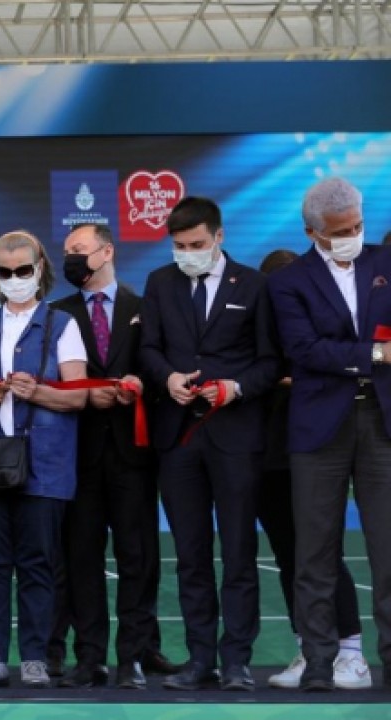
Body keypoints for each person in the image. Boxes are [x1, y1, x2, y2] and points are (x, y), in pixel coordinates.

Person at [139, 196, 279, 692]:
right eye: (179, 245)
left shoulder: (254, 285)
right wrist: (168, 377)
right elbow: (148, 348)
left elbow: (270, 361)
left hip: (235, 435)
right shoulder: (160, 282)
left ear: (219, 236)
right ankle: (200, 660)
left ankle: (237, 661)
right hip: (178, 438)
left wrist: (234, 387)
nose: (187, 253)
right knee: (190, 554)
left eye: (196, 243)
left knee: (239, 552)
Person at [0, 230, 88, 689]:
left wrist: (38, 391)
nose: (14, 278)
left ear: (39, 268)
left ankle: (34, 657)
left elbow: (78, 396)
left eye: (22, 270)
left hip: (44, 464)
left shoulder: (62, 325)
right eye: (5, 272)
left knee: (37, 563)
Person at [267, 177, 388, 691]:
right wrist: (376, 354)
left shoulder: (386, 263)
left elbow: (326, 350)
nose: (352, 237)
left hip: (382, 420)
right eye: (340, 232)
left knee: (388, 550)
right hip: (319, 427)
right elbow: (304, 350)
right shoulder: (288, 282)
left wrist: (350, 356)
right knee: (315, 553)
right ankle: (318, 662)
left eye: (357, 226)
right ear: (311, 231)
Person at [49, 224, 163, 689]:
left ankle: (134, 655)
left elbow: (160, 366)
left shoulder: (146, 308)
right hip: (78, 453)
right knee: (81, 559)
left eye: (79, 250)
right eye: (66, 252)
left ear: (107, 251)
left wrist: (141, 384)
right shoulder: (57, 314)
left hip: (133, 452)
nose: (71, 259)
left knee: (138, 556)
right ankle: (89, 657)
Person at [257, 246, 369, 690]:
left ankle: (352, 652)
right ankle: (309, 648)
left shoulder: (326, 329)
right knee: (291, 556)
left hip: (319, 448)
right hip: (269, 455)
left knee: (323, 553)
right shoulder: (264, 331)